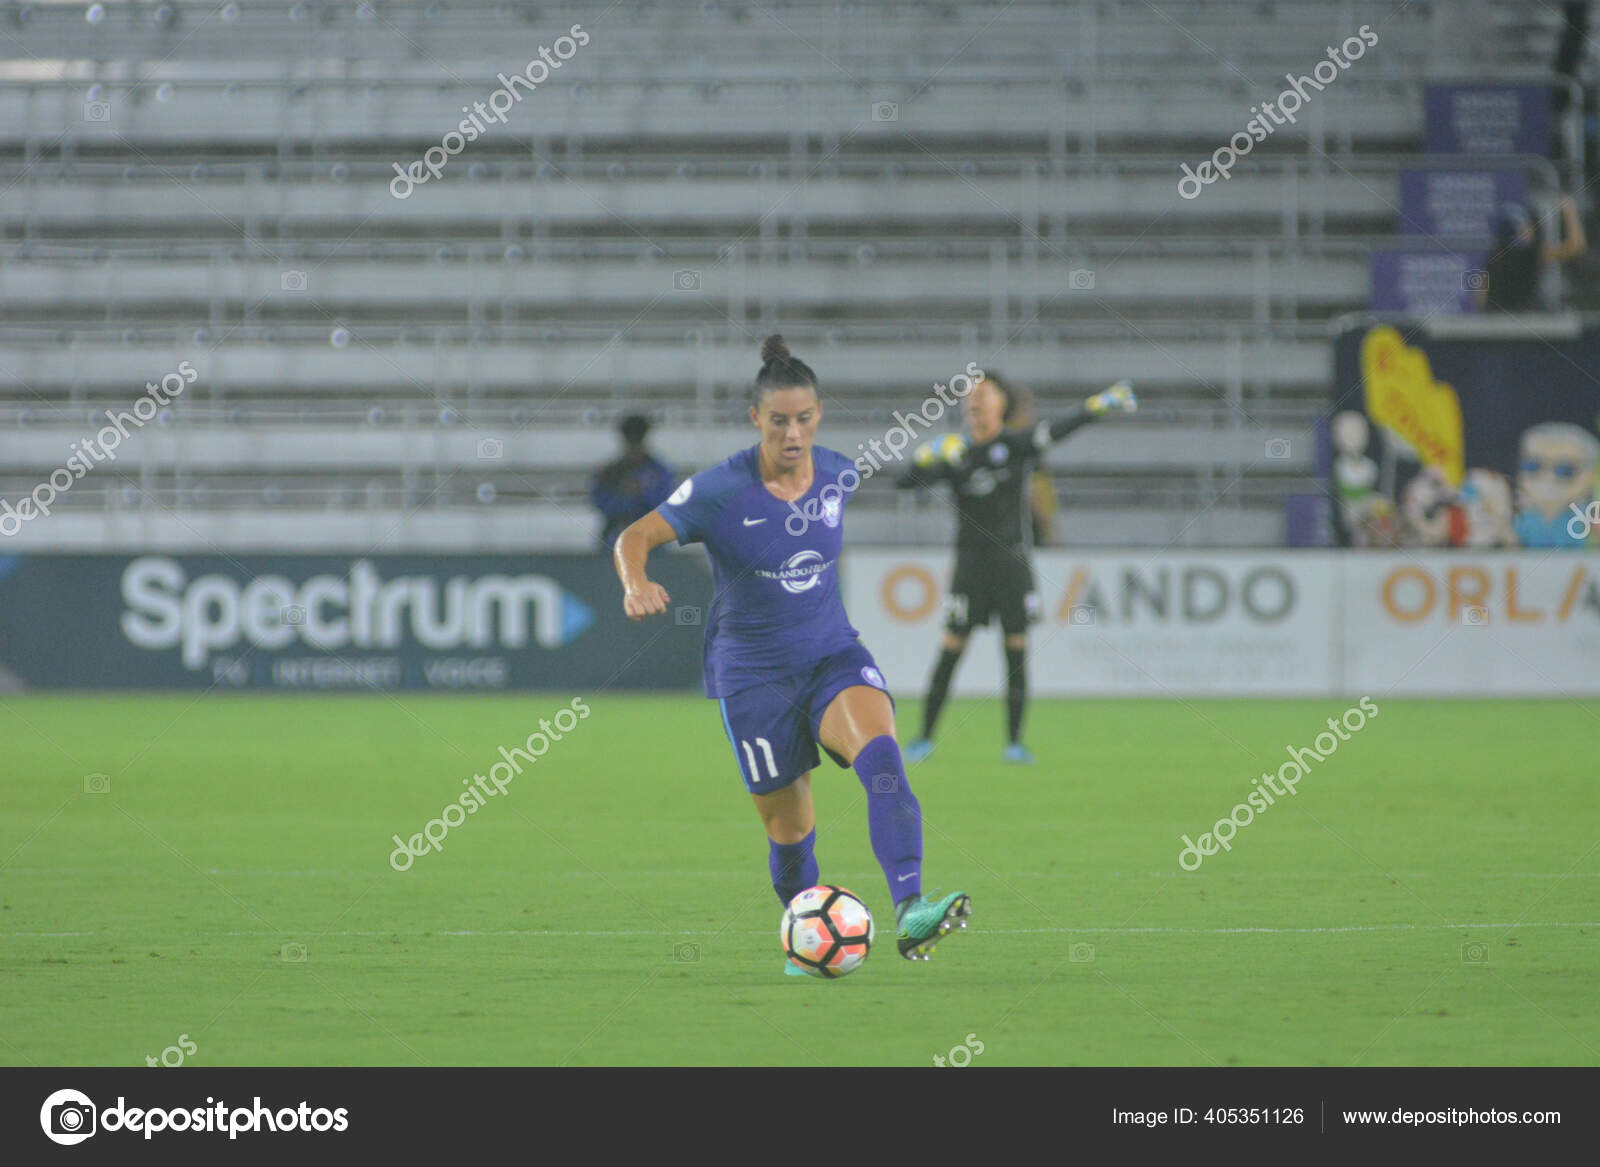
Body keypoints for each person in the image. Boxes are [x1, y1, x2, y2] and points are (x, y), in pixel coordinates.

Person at [611, 334, 972, 976]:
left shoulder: (836, 472)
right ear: (756, 420)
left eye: (804, 418)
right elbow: (635, 535)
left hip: (832, 655)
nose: (793, 433)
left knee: (884, 763)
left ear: (818, 415)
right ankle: (804, 941)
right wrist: (636, 582)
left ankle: (912, 907)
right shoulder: (720, 489)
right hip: (752, 677)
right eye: (778, 420)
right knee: (789, 831)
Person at [897, 372, 1137, 764]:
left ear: (1000, 405)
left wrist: (1098, 406)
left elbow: (1059, 430)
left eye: (984, 393)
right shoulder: (956, 452)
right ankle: (923, 738)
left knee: (1016, 651)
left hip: (1012, 563)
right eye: (970, 396)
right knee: (951, 649)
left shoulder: (1015, 445)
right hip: (970, 565)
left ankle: (1014, 743)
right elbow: (904, 483)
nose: (975, 400)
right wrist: (925, 456)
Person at [1478, 196, 1587, 312]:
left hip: (1497, 321)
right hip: (1525, 320)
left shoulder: (1494, 257)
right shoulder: (1534, 255)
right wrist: (1569, 212)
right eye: (1525, 227)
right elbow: (1576, 246)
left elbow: (1480, 299)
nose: (1528, 230)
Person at [590, 414, 676, 551]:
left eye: (637, 442)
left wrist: (640, 493)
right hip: (616, 541)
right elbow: (599, 502)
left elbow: (666, 504)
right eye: (631, 443)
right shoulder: (609, 472)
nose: (634, 448)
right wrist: (622, 496)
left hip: (652, 543)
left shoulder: (659, 472)